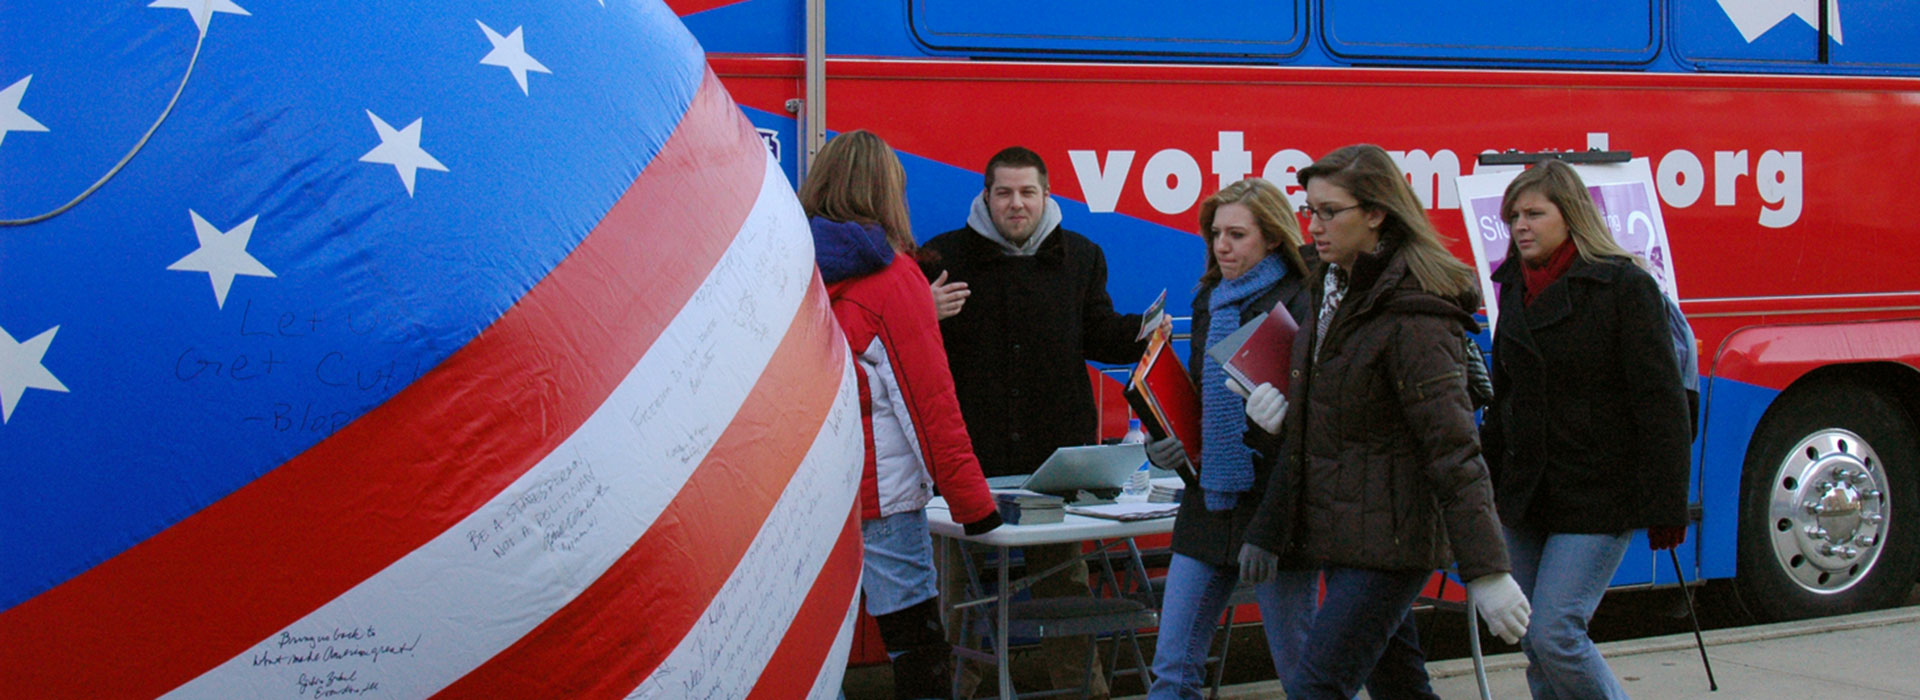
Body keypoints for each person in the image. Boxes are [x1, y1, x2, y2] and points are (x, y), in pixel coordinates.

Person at [1240, 144, 1530, 700]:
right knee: (1401, 689)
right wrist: (1282, 418)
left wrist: (1488, 571)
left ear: (1376, 213)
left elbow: (1453, 448)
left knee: (1316, 687)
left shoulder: (1413, 311)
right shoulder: (1330, 288)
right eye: (1310, 210)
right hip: (1349, 534)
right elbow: (1348, 415)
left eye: (1330, 212)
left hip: (1394, 541)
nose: (1315, 227)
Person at [921, 146, 1146, 698]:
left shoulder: (1082, 256)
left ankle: (1083, 692)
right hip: (969, 459)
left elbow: (1097, 335)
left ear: (1046, 195)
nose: (1016, 204)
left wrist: (1146, 330)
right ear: (986, 196)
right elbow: (910, 351)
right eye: (1004, 193)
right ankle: (953, 690)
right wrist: (922, 312)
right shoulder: (942, 257)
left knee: (1064, 584)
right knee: (955, 592)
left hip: (1056, 462)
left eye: (1027, 192)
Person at [801, 130, 1003, 700]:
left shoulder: (783, 263)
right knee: (915, 642)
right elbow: (928, 402)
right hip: (879, 494)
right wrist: (974, 505)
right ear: (888, 193)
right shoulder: (892, 280)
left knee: (813, 645)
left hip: (801, 495)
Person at [1479, 159, 1692, 699]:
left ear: (1570, 216)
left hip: (1600, 492)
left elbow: (1661, 403)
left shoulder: (1624, 286)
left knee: (1555, 632)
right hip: (1527, 493)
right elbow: (1506, 398)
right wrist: (1484, 488)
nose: (1520, 226)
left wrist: (1666, 505)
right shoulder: (1513, 287)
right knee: (1533, 639)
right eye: (1513, 216)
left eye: (1533, 213)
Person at [1140, 178, 1318, 699]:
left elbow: (1311, 426)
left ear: (1273, 238)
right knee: (1172, 666)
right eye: (1216, 233)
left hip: (1275, 507)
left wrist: (1273, 526)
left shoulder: (1301, 300)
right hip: (1208, 501)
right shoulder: (1208, 299)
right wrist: (1166, 439)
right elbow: (1200, 399)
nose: (1222, 246)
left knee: (1302, 672)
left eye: (1237, 235)